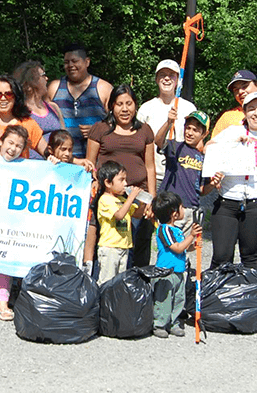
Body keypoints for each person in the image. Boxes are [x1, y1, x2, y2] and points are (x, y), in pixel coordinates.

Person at [205, 92, 257, 270]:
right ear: (245, 112)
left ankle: (249, 296)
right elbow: (208, 148)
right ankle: (215, 294)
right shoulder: (233, 131)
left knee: (250, 255)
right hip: (228, 199)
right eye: (251, 109)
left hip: (256, 200)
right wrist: (233, 142)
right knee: (221, 255)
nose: (256, 113)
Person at [86, 84, 156, 267]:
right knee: (109, 246)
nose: (125, 109)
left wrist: (152, 199)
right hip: (108, 197)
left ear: (135, 105)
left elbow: (150, 166)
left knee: (138, 246)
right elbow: (90, 164)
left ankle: (136, 287)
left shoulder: (145, 130)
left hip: (138, 196)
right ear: (112, 106)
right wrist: (94, 182)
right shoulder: (100, 129)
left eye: (129, 103)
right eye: (119, 104)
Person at [0, 125, 30, 321]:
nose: (13, 148)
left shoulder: (25, 166)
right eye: (10, 142)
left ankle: (3, 301)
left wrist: (52, 161)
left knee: (5, 261)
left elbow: (46, 173)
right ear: (1, 142)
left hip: (11, 223)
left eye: (19, 145)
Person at [155, 109, 217, 230]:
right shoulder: (175, 147)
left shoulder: (204, 158)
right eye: (188, 128)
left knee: (187, 247)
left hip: (191, 208)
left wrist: (214, 183)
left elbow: (202, 190)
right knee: (170, 245)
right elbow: (158, 141)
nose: (190, 133)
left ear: (204, 134)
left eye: (195, 130)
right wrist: (168, 122)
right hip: (172, 207)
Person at [85, 161, 146, 284]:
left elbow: (137, 215)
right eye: (121, 180)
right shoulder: (105, 200)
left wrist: (142, 201)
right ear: (108, 182)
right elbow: (119, 215)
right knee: (107, 281)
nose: (126, 184)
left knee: (119, 282)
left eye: (126, 180)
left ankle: (114, 303)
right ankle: (101, 302)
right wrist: (131, 198)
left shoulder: (123, 200)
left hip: (124, 246)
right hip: (110, 248)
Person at [48, 44, 112, 159]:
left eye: (75, 61)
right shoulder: (54, 88)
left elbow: (119, 125)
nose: (71, 65)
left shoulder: (103, 88)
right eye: (67, 62)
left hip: (96, 162)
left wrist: (97, 131)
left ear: (87, 62)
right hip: (62, 162)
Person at [137, 59, 196, 184]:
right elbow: (138, 142)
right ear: (156, 79)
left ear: (178, 81)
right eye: (162, 75)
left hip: (180, 175)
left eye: (171, 75)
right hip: (152, 176)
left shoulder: (189, 108)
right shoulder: (146, 109)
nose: (167, 79)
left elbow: (196, 142)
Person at [151, 191, 201, 338]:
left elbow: (183, 247)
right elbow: (177, 248)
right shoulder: (164, 229)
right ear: (173, 213)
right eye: (181, 207)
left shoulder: (177, 230)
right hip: (165, 271)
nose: (183, 210)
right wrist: (191, 235)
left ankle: (173, 322)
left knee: (179, 298)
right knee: (164, 299)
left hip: (179, 270)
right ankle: (160, 323)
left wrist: (193, 246)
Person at [13, 60, 63, 159]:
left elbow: (65, 137)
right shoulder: (19, 110)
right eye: (43, 75)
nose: (47, 78)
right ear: (30, 82)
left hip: (56, 166)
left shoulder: (53, 108)